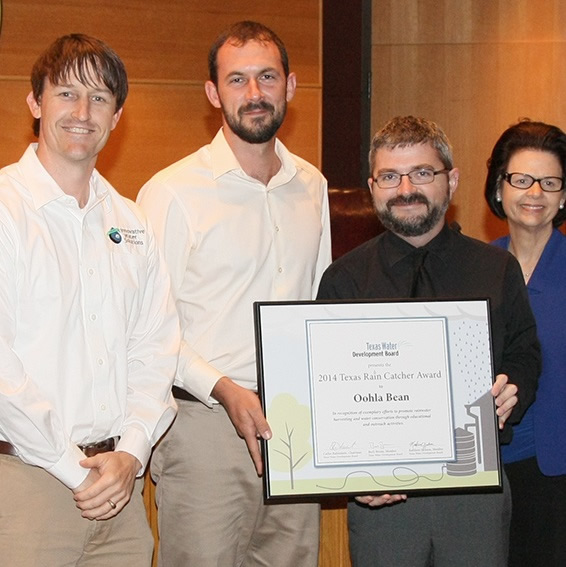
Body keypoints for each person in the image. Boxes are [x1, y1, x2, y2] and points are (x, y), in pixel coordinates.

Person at [137, 20, 331, 567]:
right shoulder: (171, 193)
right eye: (237, 79)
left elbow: (319, 305)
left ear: (290, 86)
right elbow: (147, 327)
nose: (253, 94)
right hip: (203, 426)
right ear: (213, 93)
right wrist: (223, 387)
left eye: (267, 77)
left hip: (294, 420)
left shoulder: (311, 186)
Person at [316, 115, 541, 567]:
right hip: (383, 496)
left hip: (475, 490)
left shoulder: (495, 269)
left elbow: (525, 351)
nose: (405, 189)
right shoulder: (343, 279)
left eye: (422, 173)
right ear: (372, 186)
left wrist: (510, 389)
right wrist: (354, 476)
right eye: (389, 176)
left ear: (451, 180)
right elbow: (326, 392)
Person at [0, 34, 179, 566]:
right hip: (28, 483)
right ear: (35, 103)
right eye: (67, 94)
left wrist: (132, 451)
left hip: (119, 489)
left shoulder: (131, 222)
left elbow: (156, 349)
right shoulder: (6, 210)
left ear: (117, 114)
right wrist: (69, 465)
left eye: (99, 98)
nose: (83, 112)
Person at [485, 120, 566, 567]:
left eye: (550, 182)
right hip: (487, 470)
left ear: (563, 196)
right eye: (521, 180)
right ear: (500, 189)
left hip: (556, 473)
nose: (534, 192)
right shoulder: (476, 271)